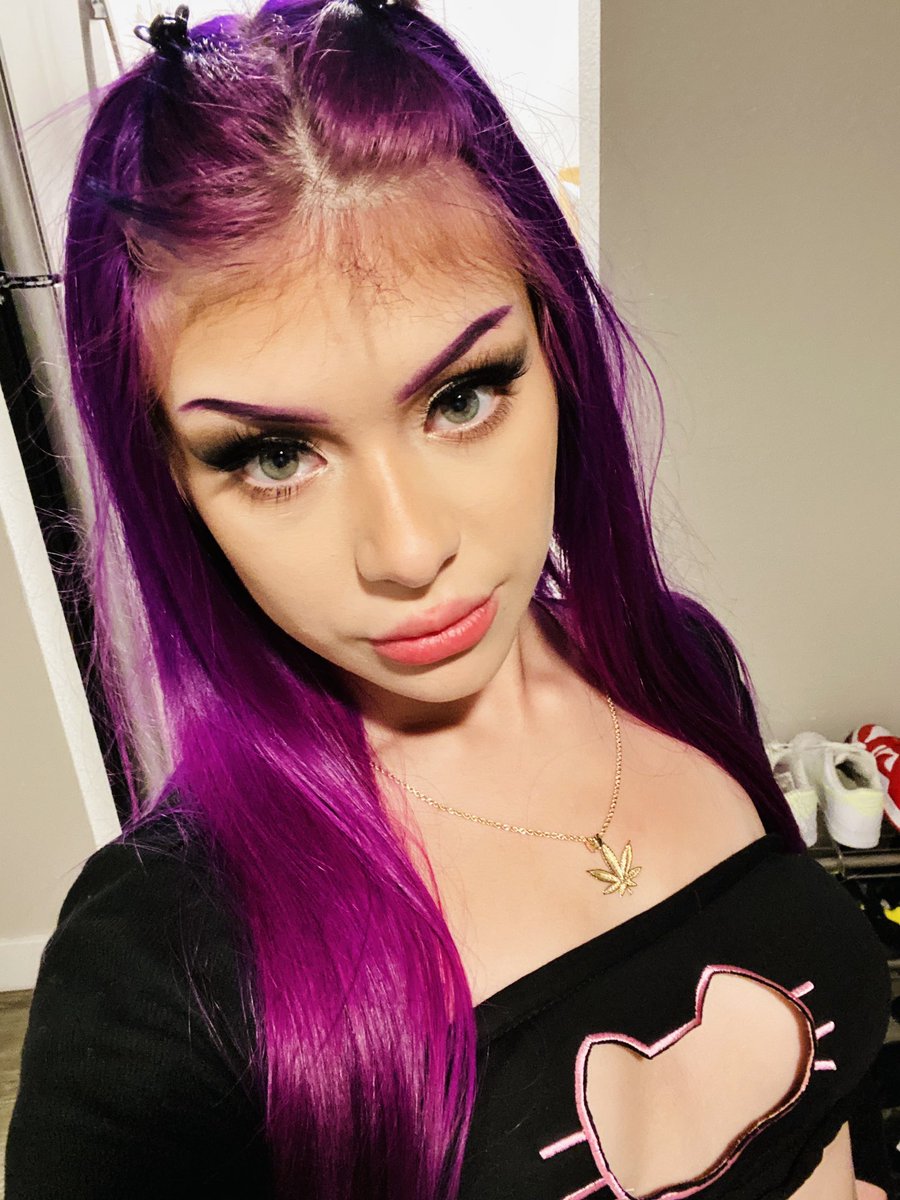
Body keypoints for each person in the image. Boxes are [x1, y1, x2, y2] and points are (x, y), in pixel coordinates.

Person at [4, 2, 893, 1198]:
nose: (410, 550)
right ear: (171, 478)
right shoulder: (158, 968)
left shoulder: (675, 665)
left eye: (463, 396)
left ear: (555, 347)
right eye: (274, 455)